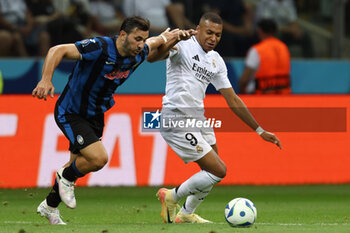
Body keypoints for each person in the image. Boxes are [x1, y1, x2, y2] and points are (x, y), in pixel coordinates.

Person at [32, 16, 195, 225]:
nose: (140, 44)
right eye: (137, 38)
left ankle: (49, 206)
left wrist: (173, 38)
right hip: (71, 111)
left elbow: (156, 44)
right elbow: (57, 50)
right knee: (98, 159)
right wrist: (46, 79)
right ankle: (64, 178)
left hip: (96, 115)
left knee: (77, 165)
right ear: (123, 35)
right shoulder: (99, 47)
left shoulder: (141, 50)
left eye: (143, 39)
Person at [156, 12, 281, 223]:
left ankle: (185, 214)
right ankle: (171, 196)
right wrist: (173, 40)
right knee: (218, 170)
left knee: (212, 171)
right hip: (175, 117)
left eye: (218, 35)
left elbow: (232, 99)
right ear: (198, 29)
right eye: (209, 32)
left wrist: (259, 130)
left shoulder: (215, 60)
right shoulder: (184, 46)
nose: (213, 38)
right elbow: (153, 57)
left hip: (197, 118)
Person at [239, 18, 291, 94]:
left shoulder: (256, 50)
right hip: (284, 94)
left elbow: (244, 79)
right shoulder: (284, 47)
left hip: (261, 95)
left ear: (260, 31)